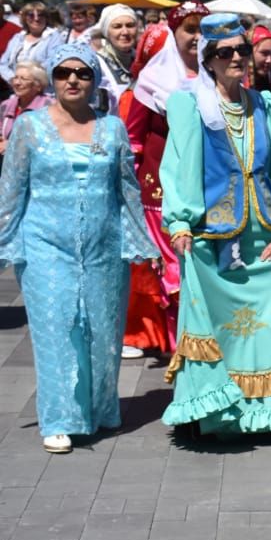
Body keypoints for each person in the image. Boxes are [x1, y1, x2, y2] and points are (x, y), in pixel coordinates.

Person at [0, 41, 158, 453]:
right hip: (44, 246)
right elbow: (12, 191)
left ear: (94, 80)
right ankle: (58, 418)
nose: (73, 80)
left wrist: (143, 242)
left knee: (102, 333)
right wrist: (3, 242)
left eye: (83, 73)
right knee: (57, 331)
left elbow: (126, 188)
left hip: (104, 247)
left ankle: (101, 410)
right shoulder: (29, 127)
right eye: (64, 73)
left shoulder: (112, 127)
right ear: (52, 79)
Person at [159, 13, 271, 436]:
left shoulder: (261, 103)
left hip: (264, 226)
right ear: (208, 60)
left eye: (242, 50)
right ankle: (221, 414)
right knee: (221, 324)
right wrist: (181, 221)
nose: (236, 59)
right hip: (215, 232)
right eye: (225, 53)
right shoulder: (188, 103)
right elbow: (179, 164)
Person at [124, 0, 208, 356]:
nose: (197, 37)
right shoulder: (152, 81)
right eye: (190, 29)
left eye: (203, 29)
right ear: (174, 34)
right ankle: (178, 343)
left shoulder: (217, 75)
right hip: (160, 189)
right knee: (172, 264)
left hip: (207, 184)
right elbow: (133, 138)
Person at [1, 1, 66, 84]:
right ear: (25, 18)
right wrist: (13, 79)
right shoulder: (18, 38)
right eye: (31, 15)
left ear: (46, 18)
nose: (36, 18)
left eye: (41, 15)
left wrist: (28, 79)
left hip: (43, 89)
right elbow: (3, 64)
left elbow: (53, 61)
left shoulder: (54, 37)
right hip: (18, 88)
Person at [92, 4, 139, 113]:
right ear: (106, 32)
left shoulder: (145, 62)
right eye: (117, 26)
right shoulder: (97, 64)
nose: (125, 32)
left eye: (130, 25)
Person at [0, 62, 51, 154]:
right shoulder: (6, 105)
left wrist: (12, 145)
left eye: (23, 79)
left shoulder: (49, 106)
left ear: (38, 85)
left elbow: (49, 140)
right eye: (16, 78)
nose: (17, 83)